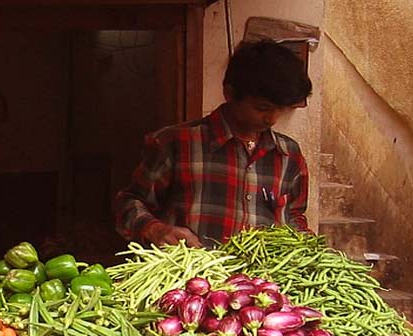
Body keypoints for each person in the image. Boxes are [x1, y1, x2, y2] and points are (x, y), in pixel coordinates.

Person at [116, 40, 313, 247]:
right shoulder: (176, 143)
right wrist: (155, 229)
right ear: (230, 93)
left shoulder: (289, 155)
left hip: (263, 278)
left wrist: (306, 246)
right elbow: (128, 202)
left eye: (280, 109)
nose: (272, 119)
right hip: (192, 275)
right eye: (262, 108)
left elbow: (294, 215)